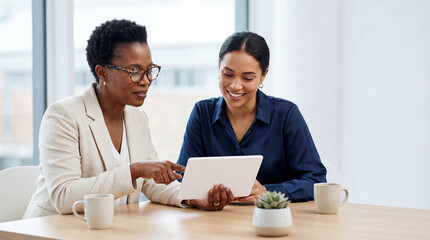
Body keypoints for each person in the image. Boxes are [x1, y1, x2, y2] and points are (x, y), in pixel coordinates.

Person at [24, 19, 233, 218]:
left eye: (149, 70)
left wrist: (192, 198)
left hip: (108, 230)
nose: (146, 81)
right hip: (50, 230)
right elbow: (64, 196)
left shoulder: (137, 118)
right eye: (134, 71)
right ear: (102, 73)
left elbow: (151, 183)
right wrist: (136, 170)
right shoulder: (64, 116)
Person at [177, 31, 327, 203]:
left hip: (272, 221)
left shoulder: (286, 114)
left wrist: (267, 192)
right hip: (215, 221)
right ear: (219, 66)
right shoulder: (202, 113)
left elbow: (316, 181)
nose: (235, 86)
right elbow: (183, 178)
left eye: (247, 78)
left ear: (263, 75)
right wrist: (198, 200)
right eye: (227, 74)